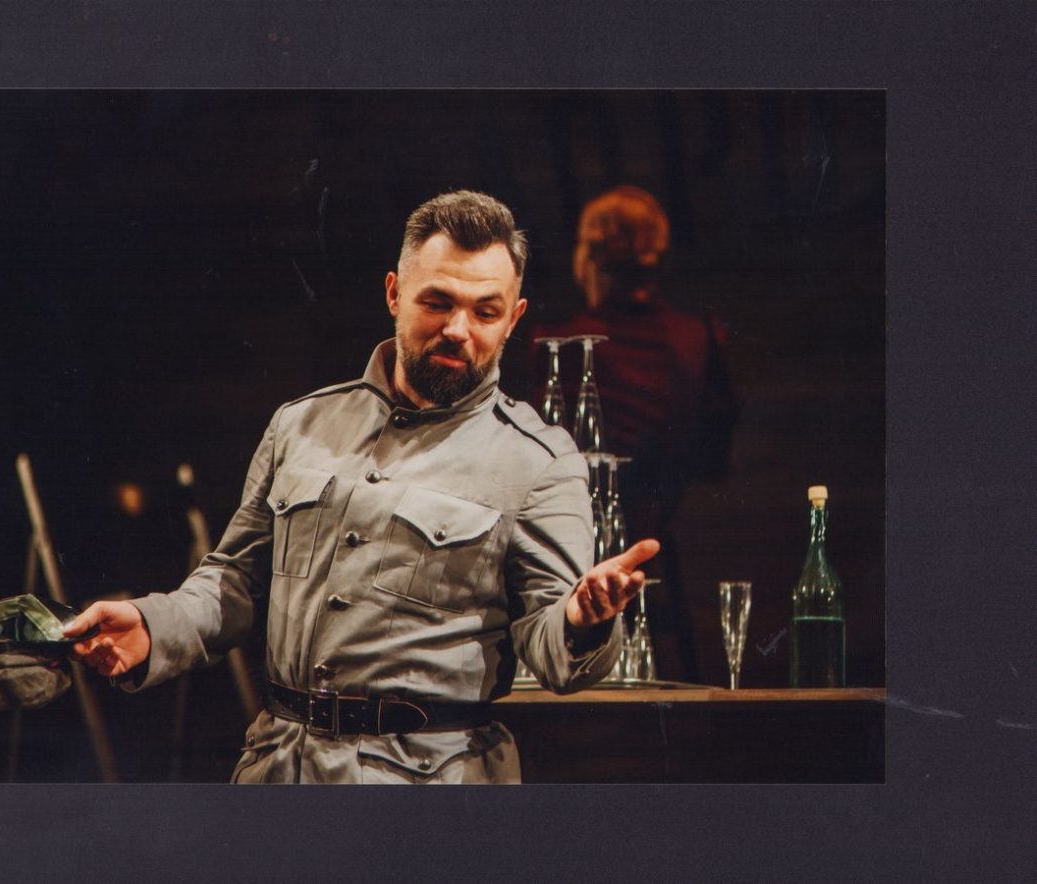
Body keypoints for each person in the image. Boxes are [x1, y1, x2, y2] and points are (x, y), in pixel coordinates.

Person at [65, 190, 660, 784]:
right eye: (438, 303)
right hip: (279, 773)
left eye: (485, 312)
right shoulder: (300, 424)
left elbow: (555, 653)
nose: (458, 329)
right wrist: (151, 625)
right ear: (394, 294)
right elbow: (232, 583)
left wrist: (584, 621)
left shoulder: (538, 461)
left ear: (514, 319)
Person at [530, 186, 738, 683]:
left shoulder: (556, 345)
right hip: (662, 541)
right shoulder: (697, 338)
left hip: (574, 547)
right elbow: (713, 457)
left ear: (590, 255)